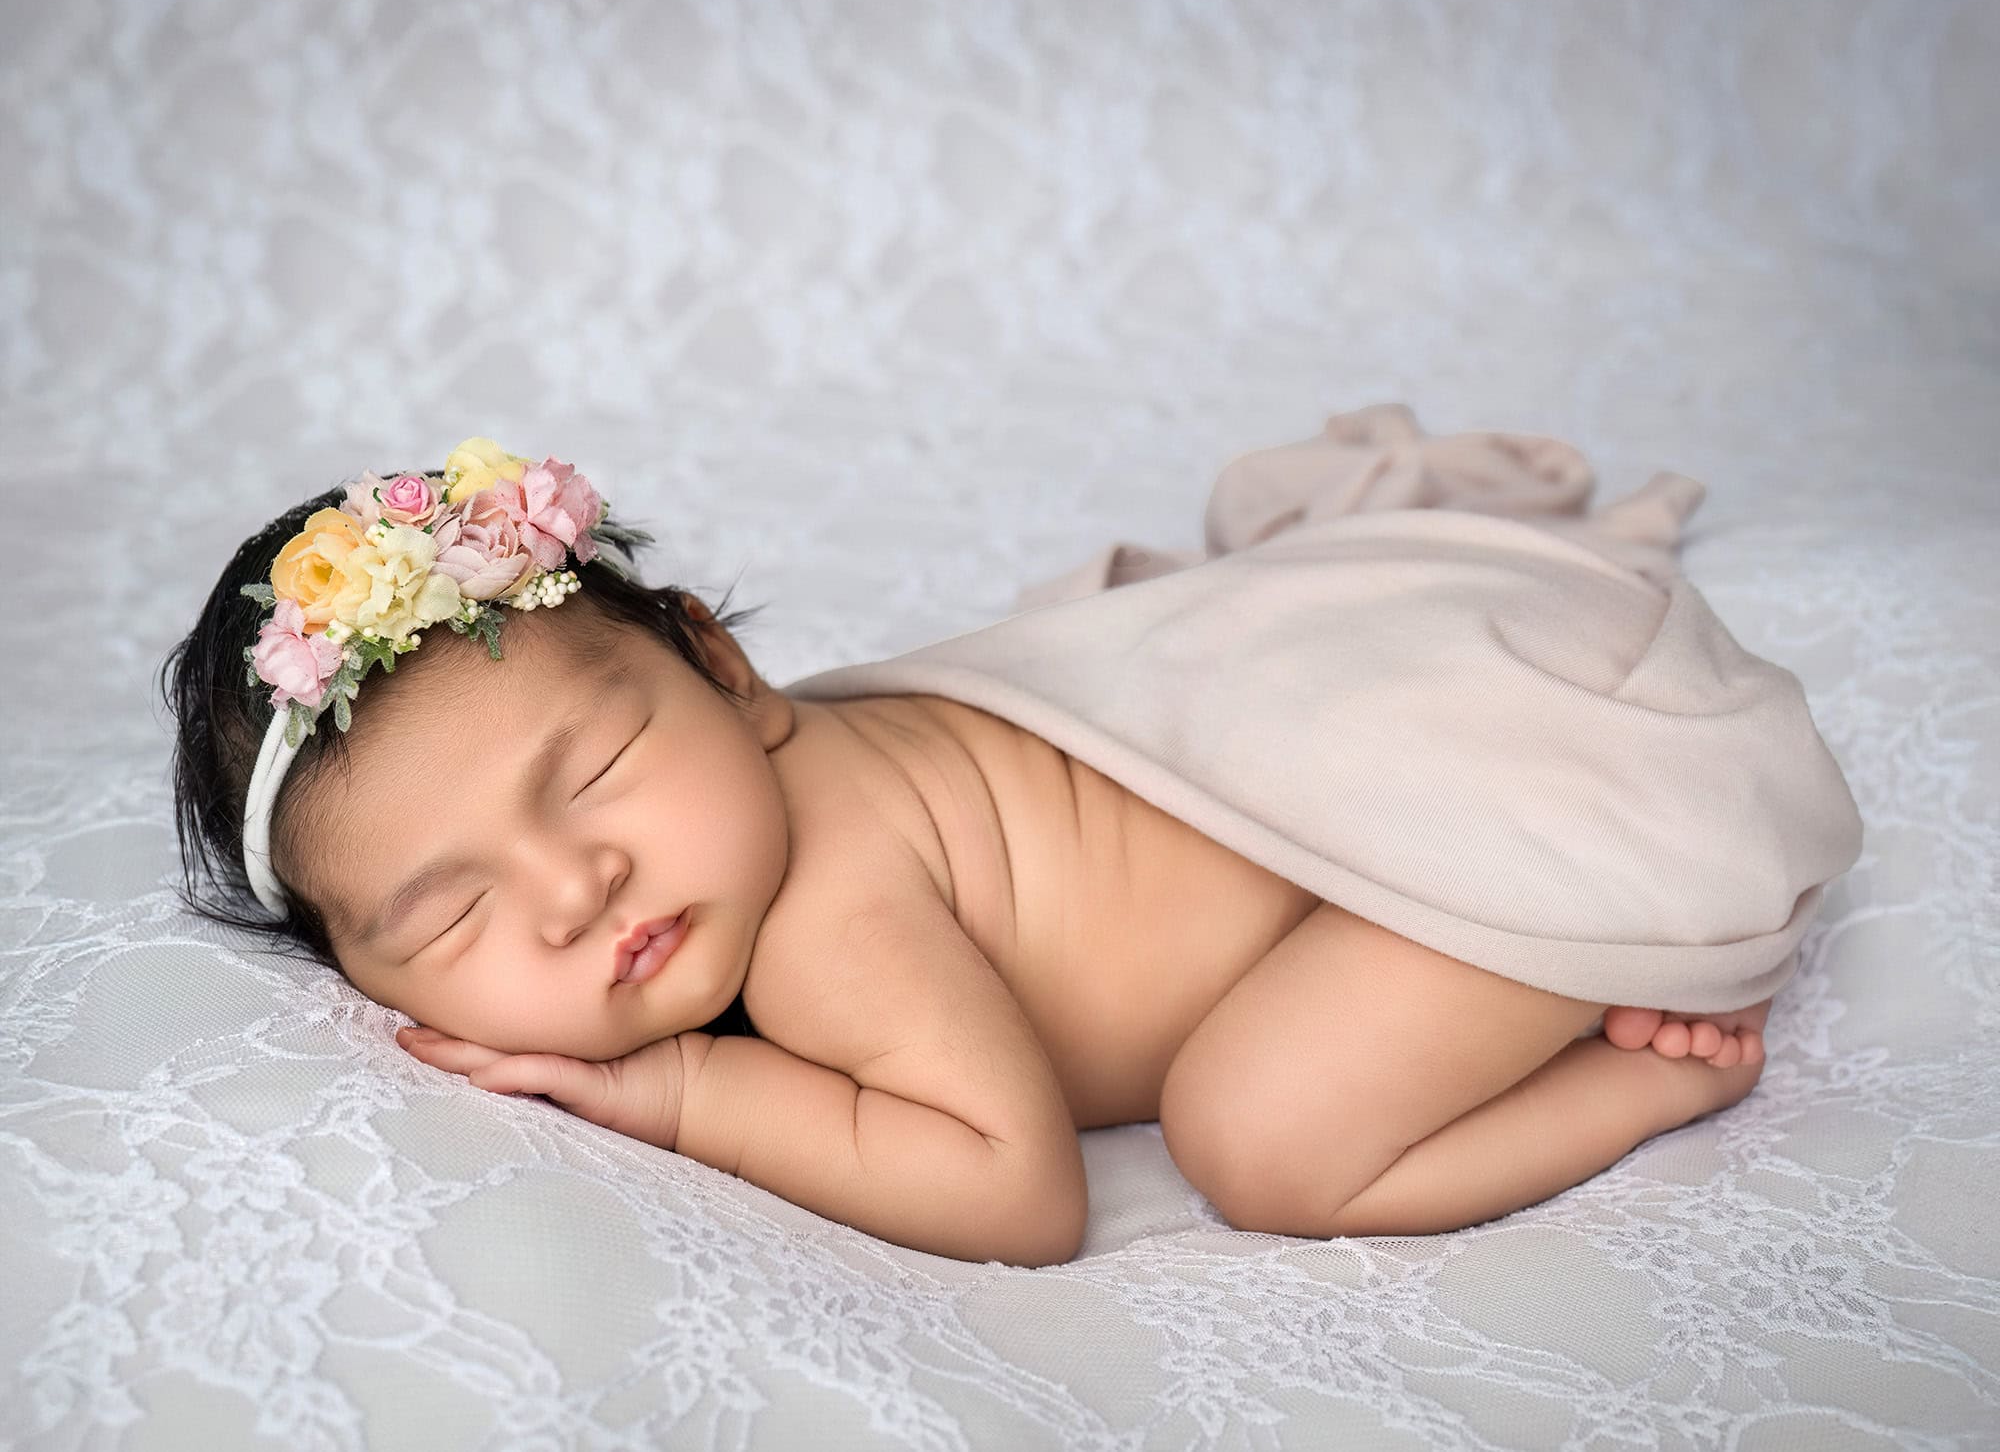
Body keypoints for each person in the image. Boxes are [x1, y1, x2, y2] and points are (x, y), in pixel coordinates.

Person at [162, 436, 1785, 1269]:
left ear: (726, 669)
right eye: (456, 918)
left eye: (595, 770)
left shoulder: (823, 911)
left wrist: (684, 1091)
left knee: (1265, 1142)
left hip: (1409, 832)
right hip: (1324, 757)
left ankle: (1640, 1075)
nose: (575, 886)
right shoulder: (739, 812)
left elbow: (1017, 1189)